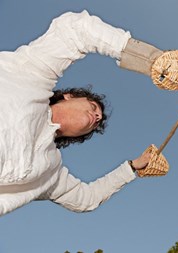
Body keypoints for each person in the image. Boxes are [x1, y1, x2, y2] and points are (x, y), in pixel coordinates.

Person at [0, 10, 168, 215]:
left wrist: (132, 168)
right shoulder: (32, 77)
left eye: (97, 122)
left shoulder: (49, 170)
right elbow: (75, 30)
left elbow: (86, 199)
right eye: (93, 106)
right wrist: (156, 60)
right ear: (69, 95)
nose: (96, 117)